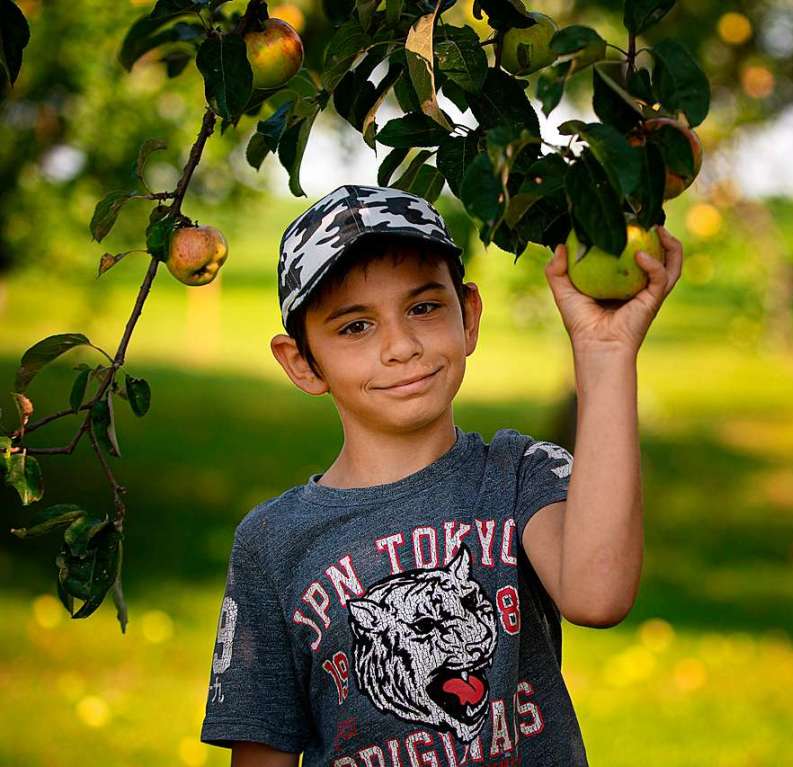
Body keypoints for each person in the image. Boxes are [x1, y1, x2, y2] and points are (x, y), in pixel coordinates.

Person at [199, 184, 683, 767]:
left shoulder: (519, 476)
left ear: (469, 315)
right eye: (355, 326)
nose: (401, 346)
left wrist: (605, 353)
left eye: (424, 308)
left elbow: (599, 596)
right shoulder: (272, 541)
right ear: (302, 362)